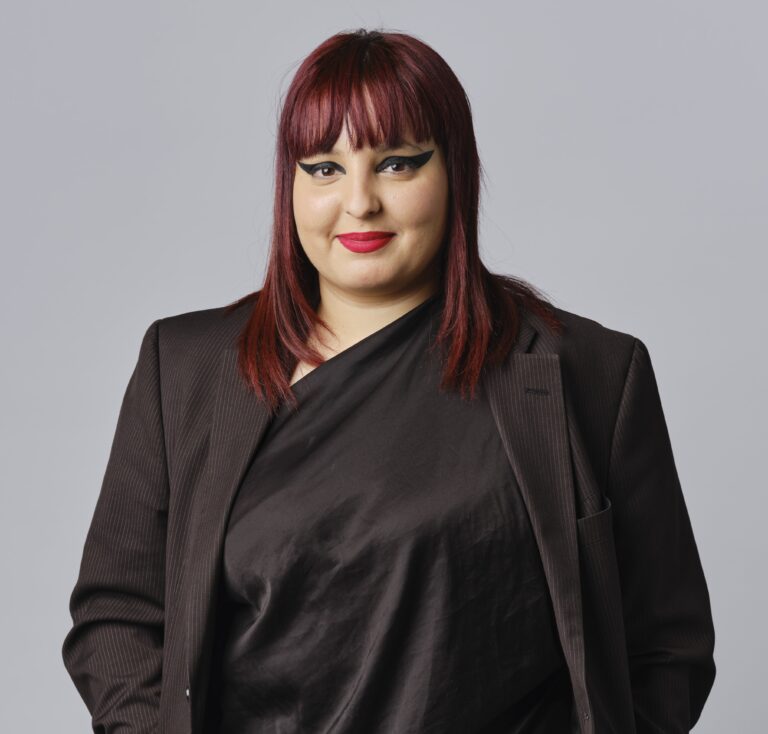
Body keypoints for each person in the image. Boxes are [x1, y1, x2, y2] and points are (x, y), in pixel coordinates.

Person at [61, 28, 716, 734]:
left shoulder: (593, 375)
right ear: (290, 185)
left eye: (398, 163)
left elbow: (668, 649)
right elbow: (116, 617)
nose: (360, 201)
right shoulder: (184, 367)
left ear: (455, 171)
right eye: (324, 168)